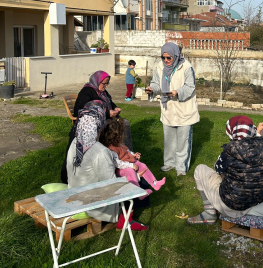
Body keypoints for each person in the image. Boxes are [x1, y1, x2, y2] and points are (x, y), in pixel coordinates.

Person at [67, 100, 148, 231]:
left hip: (74, 192)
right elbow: (112, 186)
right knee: (137, 183)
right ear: (99, 124)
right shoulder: (100, 151)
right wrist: (135, 177)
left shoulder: (76, 141)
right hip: (92, 203)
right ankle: (125, 220)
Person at [187, 115, 263, 225]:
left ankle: (209, 214)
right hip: (257, 201)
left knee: (200, 169)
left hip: (233, 205)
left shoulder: (230, 151)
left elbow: (218, 169)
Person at [60, 70, 133, 184]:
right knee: (119, 126)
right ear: (97, 81)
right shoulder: (87, 92)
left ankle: (125, 155)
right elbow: (81, 110)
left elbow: (110, 103)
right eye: (104, 83)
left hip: (103, 119)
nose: (106, 86)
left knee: (124, 123)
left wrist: (115, 109)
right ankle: (119, 158)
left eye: (107, 83)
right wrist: (108, 114)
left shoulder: (103, 92)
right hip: (90, 123)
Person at [145, 42, 199, 177]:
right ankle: (169, 162)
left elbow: (190, 87)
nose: (166, 60)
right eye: (163, 58)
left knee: (183, 141)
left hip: (184, 110)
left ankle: (181, 167)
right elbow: (156, 84)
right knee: (169, 140)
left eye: (169, 58)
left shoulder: (186, 67)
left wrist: (178, 92)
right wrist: (152, 89)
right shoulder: (159, 67)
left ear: (175, 56)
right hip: (168, 109)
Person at [99, 117, 166, 200]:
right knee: (130, 171)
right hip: (119, 169)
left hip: (127, 164)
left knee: (142, 165)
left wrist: (133, 155)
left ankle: (154, 183)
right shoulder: (111, 149)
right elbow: (117, 163)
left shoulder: (119, 143)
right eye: (120, 135)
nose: (122, 136)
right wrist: (131, 165)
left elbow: (126, 151)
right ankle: (138, 193)